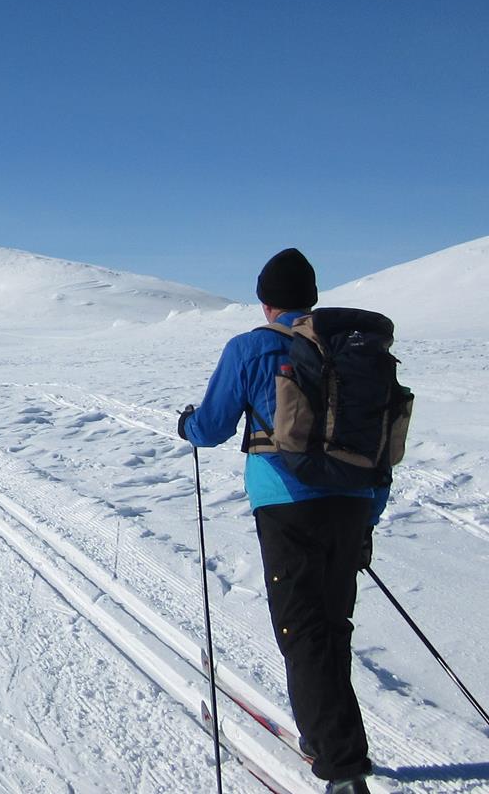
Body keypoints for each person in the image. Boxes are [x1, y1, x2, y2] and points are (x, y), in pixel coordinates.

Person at [177, 248, 387, 794]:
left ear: (266, 301)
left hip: (287, 503)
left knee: (303, 630)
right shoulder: (350, 350)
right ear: (310, 299)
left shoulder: (251, 346)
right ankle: (326, 736)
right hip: (354, 501)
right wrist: (368, 516)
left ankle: (342, 768)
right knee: (331, 623)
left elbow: (213, 426)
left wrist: (188, 427)